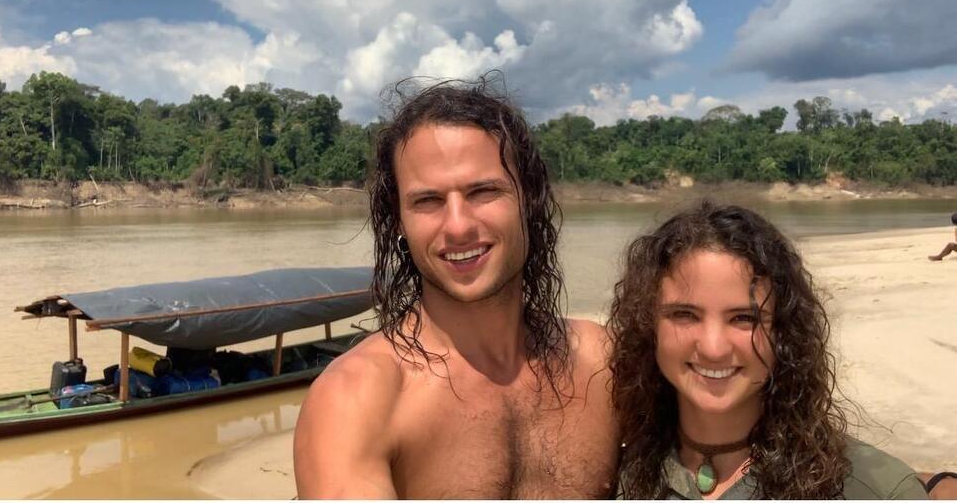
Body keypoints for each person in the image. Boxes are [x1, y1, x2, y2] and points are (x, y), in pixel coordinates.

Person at [293, 75, 616, 498]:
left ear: (529, 199)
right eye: (427, 201)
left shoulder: (602, 362)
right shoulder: (356, 400)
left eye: (483, 191)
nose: (458, 226)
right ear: (398, 222)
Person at [608, 201, 929, 499]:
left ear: (785, 331)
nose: (713, 348)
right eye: (684, 315)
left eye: (744, 318)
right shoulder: (608, 475)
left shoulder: (879, 489)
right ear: (648, 325)